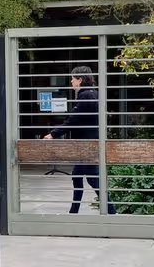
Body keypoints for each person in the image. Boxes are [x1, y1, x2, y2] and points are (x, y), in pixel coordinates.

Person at [43, 66, 117, 215]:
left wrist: (53, 134)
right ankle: (74, 212)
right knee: (78, 176)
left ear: (80, 80)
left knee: (93, 180)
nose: (71, 81)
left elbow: (74, 120)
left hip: (87, 146)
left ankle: (111, 211)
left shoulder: (86, 96)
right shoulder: (92, 94)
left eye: (73, 78)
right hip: (87, 144)